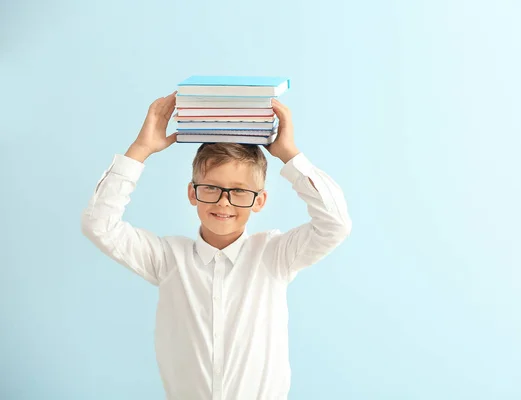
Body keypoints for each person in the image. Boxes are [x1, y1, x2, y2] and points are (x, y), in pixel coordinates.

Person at [81, 91, 352, 399]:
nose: (224, 202)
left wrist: (290, 155)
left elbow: (335, 224)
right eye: (211, 188)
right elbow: (98, 224)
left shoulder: (275, 256)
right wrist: (140, 150)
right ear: (192, 193)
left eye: (239, 191)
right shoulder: (168, 259)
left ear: (259, 200)